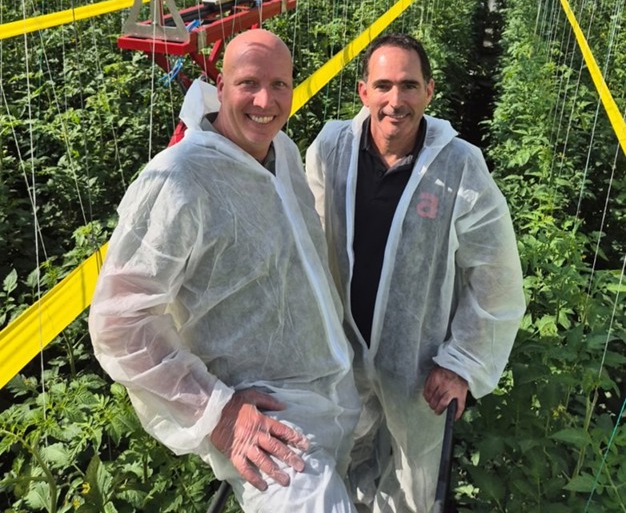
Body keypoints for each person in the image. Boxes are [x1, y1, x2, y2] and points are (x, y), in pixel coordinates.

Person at [89, 29, 361, 513]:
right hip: (267, 419)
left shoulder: (283, 152)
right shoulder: (180, 177)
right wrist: (218, 412)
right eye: (248, 83)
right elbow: (120, 321)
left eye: (279, 84)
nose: (265, 101)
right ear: (220, 85)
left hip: (332, 393)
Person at [306, 33, 525, 513]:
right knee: (340, 455)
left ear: (429, 90)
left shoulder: (459, 166)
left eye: (408, 85)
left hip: (419, 364)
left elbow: (496, 274)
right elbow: (307, 245)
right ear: (363, 91)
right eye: (383, 85)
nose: (395, 100)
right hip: (341, 351)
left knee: (414, 476)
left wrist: (462, 362)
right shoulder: (331, 150)